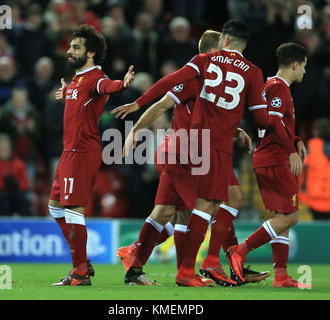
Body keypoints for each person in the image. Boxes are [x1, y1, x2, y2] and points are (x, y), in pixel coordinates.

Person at [112, 20, 269, 287]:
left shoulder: (208, 74)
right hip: (191, 151)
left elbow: (212, 113)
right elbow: (162, 105)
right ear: (215, 49)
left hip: (186, 150)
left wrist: (234, 130)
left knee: (167, 211)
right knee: (214, 204)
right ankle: (214, 264)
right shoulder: (199, 77)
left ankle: (136, 263)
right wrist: (137, 125)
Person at [48, 24, 135, 286]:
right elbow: (83, 102)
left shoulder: (96, 77)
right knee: (54, 208)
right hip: (68, 153)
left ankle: (80, 272)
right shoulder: (76, 80)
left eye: (77, 47)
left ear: (91, 53)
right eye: (71, 46)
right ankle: (82, 262)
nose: (70, 51)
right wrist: (68, 94)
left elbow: (108, 86)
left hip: (82, 152)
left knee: (73, 210)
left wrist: (123, 84)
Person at [226, 42, 311, 288]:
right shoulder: (278, 88)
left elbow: (277, 123)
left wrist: (295, 140)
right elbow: (272, 123)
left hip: (269, 156)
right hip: (274, 158)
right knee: (291, 217)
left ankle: (281, 275)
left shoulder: (273, 87)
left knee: (282, 215)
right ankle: (240, 251)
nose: (304, 71)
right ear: (295, 64)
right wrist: (290, 152)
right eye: (304, 66)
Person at [299, 118, 330, 220]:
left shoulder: (313, 145)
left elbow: (301, 166)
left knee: (315, 228)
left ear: (316, 130)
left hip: (312, 196)